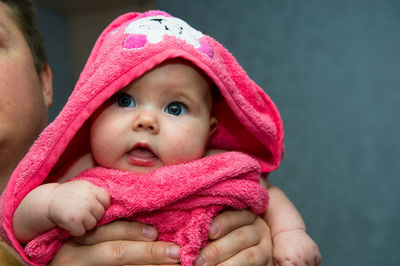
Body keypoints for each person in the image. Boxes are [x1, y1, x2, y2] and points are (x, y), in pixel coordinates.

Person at [6, 10, 321, 266]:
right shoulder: (80, 170)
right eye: (125, 101)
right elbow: (18, 222)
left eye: (175, 107)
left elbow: (269, 195)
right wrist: (54, 203)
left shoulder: (217, 167)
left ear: (208, 132)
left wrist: (290, 233)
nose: (146, 121)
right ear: (91, 113)